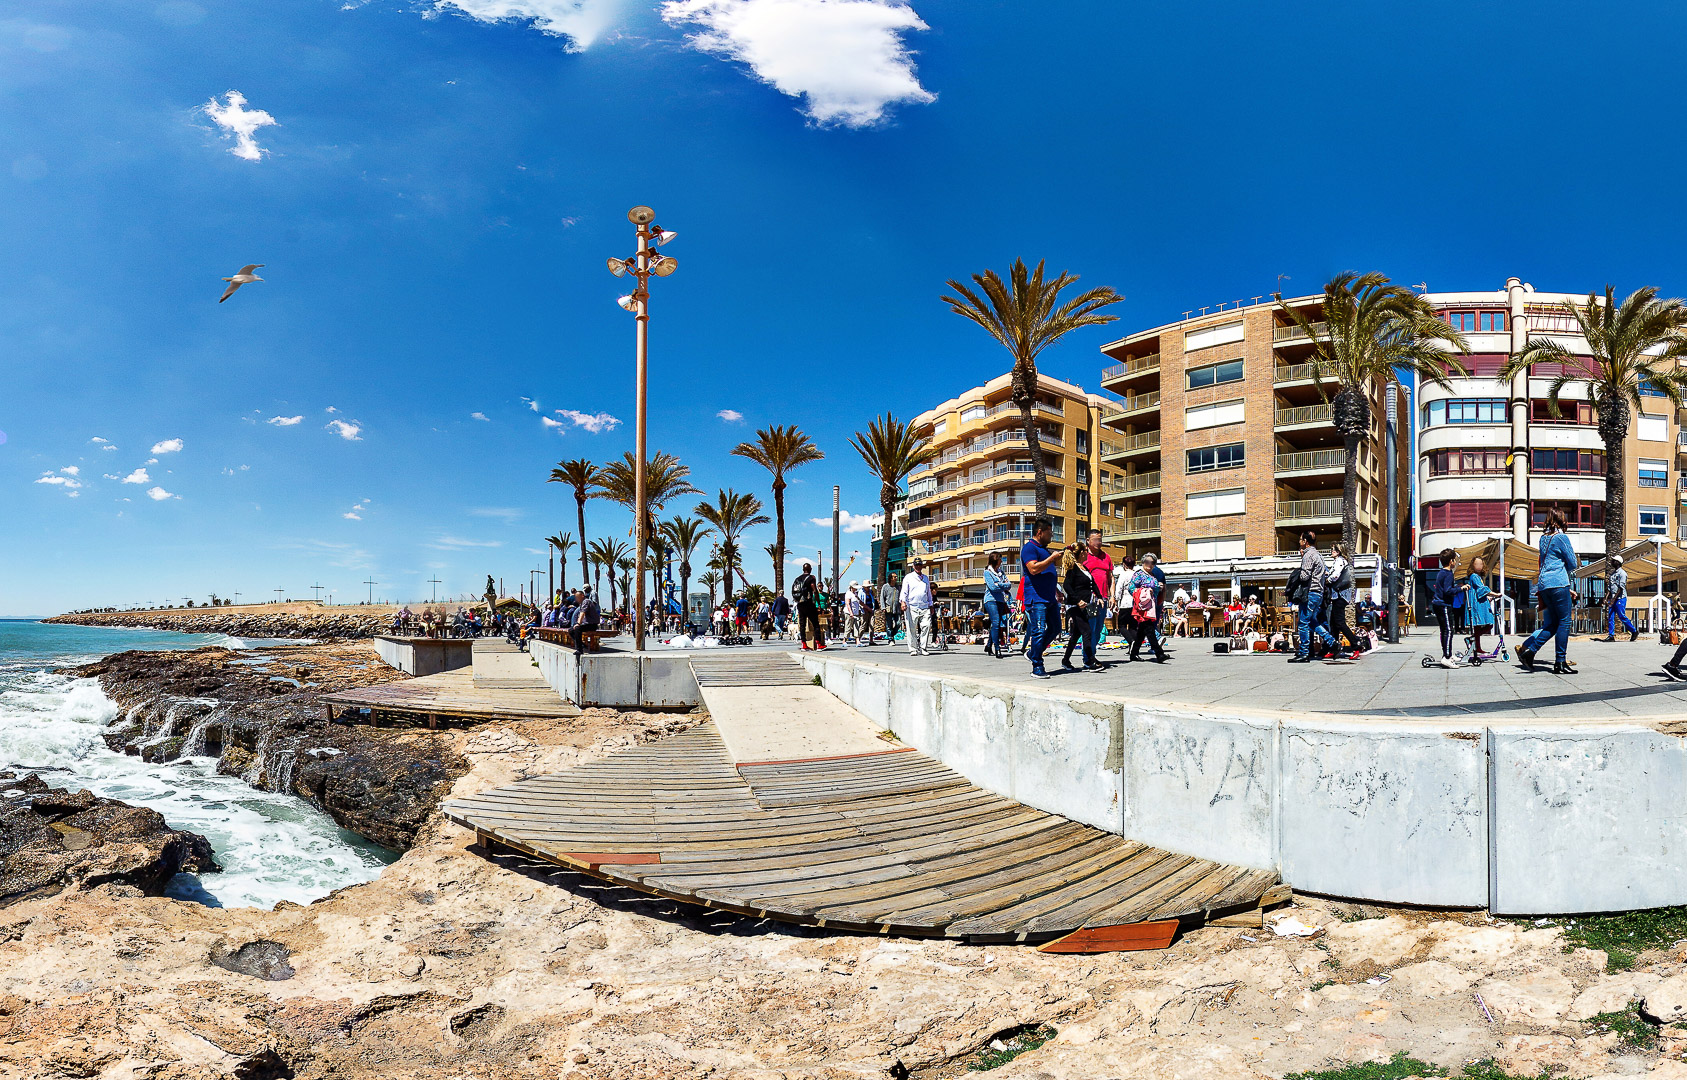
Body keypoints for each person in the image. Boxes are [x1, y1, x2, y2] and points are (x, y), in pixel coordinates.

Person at [1518, 507, 1578, 674]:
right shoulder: (1561, 538)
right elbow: (1573, 563)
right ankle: (1560, 662)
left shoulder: (1543, 538)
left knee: (1552, 624)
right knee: (1565, 621)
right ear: (1562, 520)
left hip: (1544, 584)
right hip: (1558, 583)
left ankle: (1530, 652)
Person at [1019, 518, 1063, 679]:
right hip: (1036, 598)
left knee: (1055, 628)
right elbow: (1033, 569)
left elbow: (1048, 573)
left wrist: (1057, 592)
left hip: (1049, 598)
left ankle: (1033, 653)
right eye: (1049, 533)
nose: (1051, 536)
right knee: (1038, 632)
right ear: (1040, 532)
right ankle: (1037, 665)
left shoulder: (1045, 550)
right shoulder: (1029, 548)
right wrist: (1052, 559)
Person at [1289, 530, 1337, 663]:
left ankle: (1304, 653)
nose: (1299, 542)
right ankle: (1332, 642)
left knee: (1303, 623)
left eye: (1300, 540)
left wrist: (1298, 573)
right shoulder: (1319, 555)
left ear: (1305, 541)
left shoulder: (1308, 555)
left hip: (1310, 593)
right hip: (1319, 593)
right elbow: (1325, 573)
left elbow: (1305, 576)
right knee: (1312, 622)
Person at [1059, 544, 1102, 671]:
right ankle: (1089, 661)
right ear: (1082, 553)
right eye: (1086, 551)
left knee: (1076, 634)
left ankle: (1065, 660)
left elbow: (1092, 584)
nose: (1088, 553)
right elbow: (1067, 586)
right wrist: (1078, 601)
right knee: (1087, 631)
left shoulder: (1085, 569)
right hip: (1074, 606)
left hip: (1085, 606)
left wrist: (1099, 596)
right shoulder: (1073, 569)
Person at [1122, 554, 1167, 662]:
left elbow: (1156, 590)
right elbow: (1131, 588)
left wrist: (1159, 588)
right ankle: (1159, 653)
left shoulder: (1152, 575)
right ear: (1143, 562)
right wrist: (1144, 591)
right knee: (1150, 629)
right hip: (1142, 607)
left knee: (1142, 631)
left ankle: (1134, 653)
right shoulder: (1139, 575)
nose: (1150, 564)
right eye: (1147, 561)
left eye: (1152, 563)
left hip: (1152, 606)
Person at [1080, 530, 1114, 666]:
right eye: (1095, 540)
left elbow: (1111, 578)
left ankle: (1091, 655)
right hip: (1090, 598)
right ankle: (1088, 658)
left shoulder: (1106, 557)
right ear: (1088, 540)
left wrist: (1112, 596)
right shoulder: (1083, 556)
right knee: (1091, 629)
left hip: (1103, 598)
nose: (1098, 543)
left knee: (1099, 629)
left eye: (1100, 540)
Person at [1327, 543, 1359, 658]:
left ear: (1338, 551)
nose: (1331, 551)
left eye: (1333, 550)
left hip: (1340, 596)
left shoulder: (1340, 561)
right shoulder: (1339, 561)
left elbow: (1335, 576)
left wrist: (1327, 580)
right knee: (1333, 623)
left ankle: (1356, 644)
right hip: (1338, 596)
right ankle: (1334, 648)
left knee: (1339, 623)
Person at [900, 559, 935, 656]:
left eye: (920, 565)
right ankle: (913, 649)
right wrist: (903, 602)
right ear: (913, 566)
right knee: (911, 628)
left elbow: (928, 593)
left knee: (926, 626)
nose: (918, 567)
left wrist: (931, 605)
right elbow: (904, 591)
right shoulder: (908, 577)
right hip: (912, 606)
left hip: (924, 606)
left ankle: (923, 647)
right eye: (916, 565)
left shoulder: (926, 578)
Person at [1601, 555, 1639, 642]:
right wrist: (1606, 598)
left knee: (1621, 616)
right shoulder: (1613, 574)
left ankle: (1634, 631)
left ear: (1618, 562)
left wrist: (1613, 599)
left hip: (1620, 598)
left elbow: (1621, 588)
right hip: (1613, 598)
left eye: (1613, 560)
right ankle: (1611, 635)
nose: (1611, 562)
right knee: (1610, 616)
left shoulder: (1622, 574)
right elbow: (1610, 588)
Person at [983, 552, 1011, 658]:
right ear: (995, 560)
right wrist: (1002, 585)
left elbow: (1008, 584)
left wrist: (999, 584)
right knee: (996, 622)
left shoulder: (1001, 573)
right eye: (1000, 559)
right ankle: (997, 648)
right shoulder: (987, 572)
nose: (1001, 562)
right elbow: (992, 588)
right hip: (990, 600)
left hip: (1000, 600)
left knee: (996, 624)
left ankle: (989, 645)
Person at [1466, 555, 1495, 656]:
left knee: (1479, 626)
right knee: (1488, 624)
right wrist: (1494, 594)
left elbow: (1478, 590)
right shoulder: (1474, 576)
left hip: (1479, 602)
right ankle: (1474, 641)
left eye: (1481, 564)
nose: (1479, 566)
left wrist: (1487, 597)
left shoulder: (1478, 576)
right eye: (1476, 564)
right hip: (1477, 604)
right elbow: (1481, 589)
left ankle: (1476, 644)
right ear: (1472, 566)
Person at [792, 563, 825, 650]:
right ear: (810, 569)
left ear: (803, 569)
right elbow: (815, 590)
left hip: (800, 603)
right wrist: (818, 603)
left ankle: (804, 645)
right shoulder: (811, 578)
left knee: (802, 625)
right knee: (816, 624)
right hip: (808, 603)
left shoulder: (797, 579)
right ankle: (819, 644)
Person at [879, 576, 902, 644]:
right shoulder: (885, 586)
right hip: (888, 608)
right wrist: (883, 607)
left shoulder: (898, 587)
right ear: (891, 578)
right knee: (889, 625)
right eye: (894, 577)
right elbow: (882, 597)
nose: (896, 578)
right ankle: (890, 639)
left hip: (897, 608)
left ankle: (892, 634)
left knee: (898, 623)